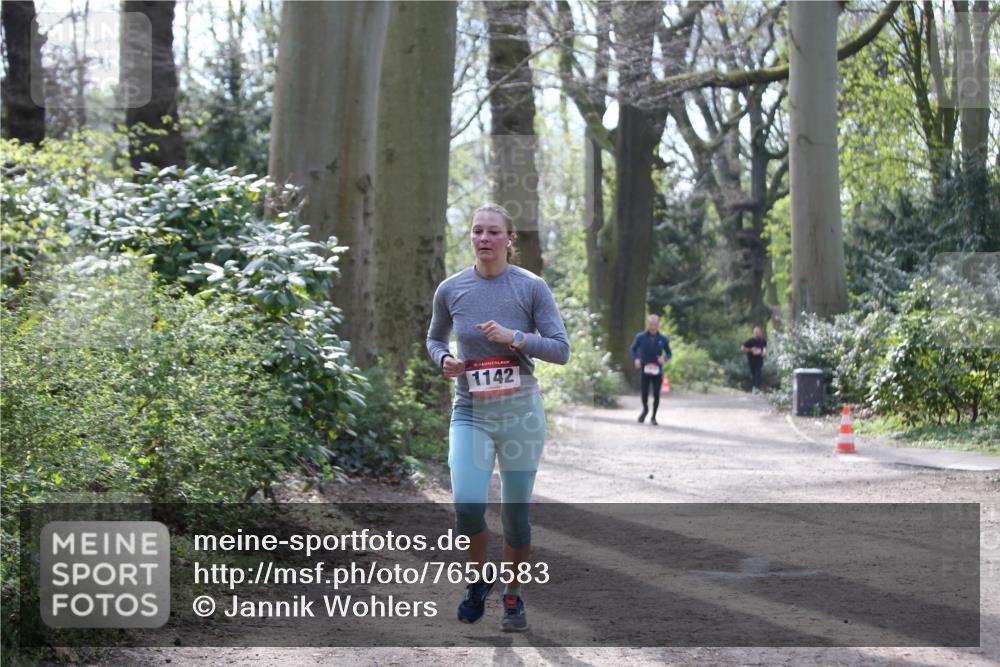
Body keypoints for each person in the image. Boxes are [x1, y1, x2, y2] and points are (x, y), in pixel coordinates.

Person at [426, 203, 570, 632]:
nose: (484, 238)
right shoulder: (451, 289)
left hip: (520, 413)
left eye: (493, 231)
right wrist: (444, 359)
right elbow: (434, 339)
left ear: (510, 239)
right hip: (471, 411)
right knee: (467, 505)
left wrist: (517, 338)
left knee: (515, 516)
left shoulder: (531, 287)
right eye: (477, 231)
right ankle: (478, 580)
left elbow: (561, 349)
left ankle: (513, 594)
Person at [629, 315, 672, 425]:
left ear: (658, 325)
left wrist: (664, 358)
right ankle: (645, 409)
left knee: (656, 394)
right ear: (648, 324)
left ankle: (653, 417)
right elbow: (633, 349)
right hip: (645, 369)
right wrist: (635, 359)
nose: (653, 327)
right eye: (651, 324)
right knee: (644, 393)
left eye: (655, 325)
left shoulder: (663, 339)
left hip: (657, 370)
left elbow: (669, 353)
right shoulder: (640, 337)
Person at [740, 325, 767, 391]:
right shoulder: (750, 341)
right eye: (756, 332)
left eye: (759, 332)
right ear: (754, 333)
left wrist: (764, 352)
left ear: (761, 333)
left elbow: (765, 347)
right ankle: (754, 387)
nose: (758, 334)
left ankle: (757, 388)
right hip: (751, 360)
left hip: (759, 360)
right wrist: (751, 349)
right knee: (753, 374)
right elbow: (742, 348)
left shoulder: (763, 340)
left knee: (758, 373)